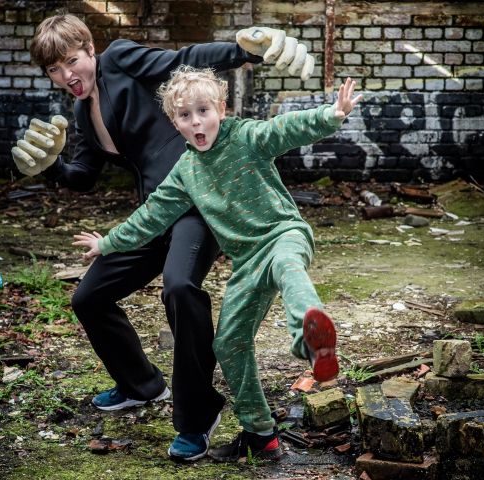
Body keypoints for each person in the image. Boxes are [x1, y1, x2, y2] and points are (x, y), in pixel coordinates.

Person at [10, 12, 316, 462]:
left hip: (198, 204)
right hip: (156, 212)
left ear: (91, 50)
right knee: (88, 297)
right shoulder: (80, 110)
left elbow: (183, 59)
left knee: (179, 287)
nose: (66, 76)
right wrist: (50, 165)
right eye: (54, 70)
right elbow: (82, 176)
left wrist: (243, 50)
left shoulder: (119, 60)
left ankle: (198, 415)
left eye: (72, 61)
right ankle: (142, 385)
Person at [73, 66, 363, 462]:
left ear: (221, 110)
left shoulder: (245, 136)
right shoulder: (186, 173)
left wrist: (331, 115)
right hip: (246, 261)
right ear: (174, 123)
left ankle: (312, 342)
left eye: (203, 110)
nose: (196, 122)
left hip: (282, 236)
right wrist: (107, 242)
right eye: (185, 116)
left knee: (289, 269)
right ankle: (262, 435)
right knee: (228, 342)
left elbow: (284, 129)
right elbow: (152, 216)